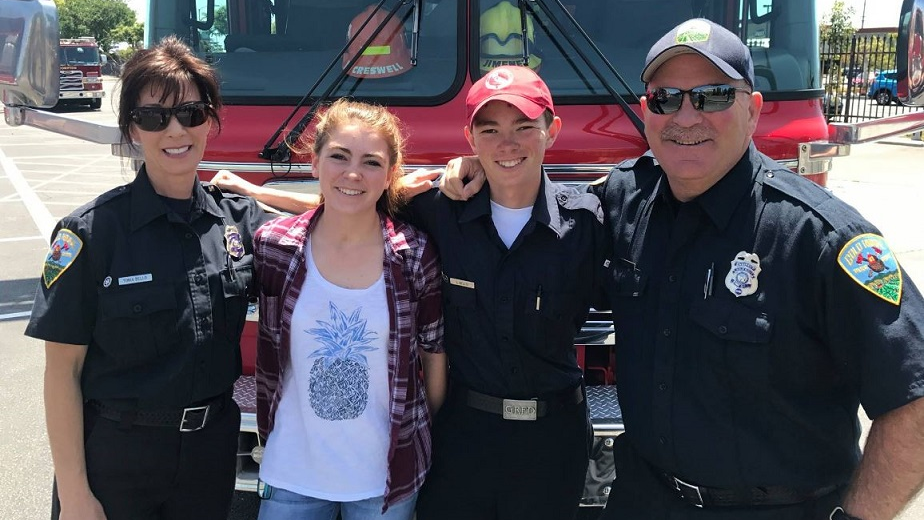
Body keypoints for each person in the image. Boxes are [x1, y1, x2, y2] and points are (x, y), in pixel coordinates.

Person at [442, 17, 924, 520]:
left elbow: (915, 399)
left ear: (753, 110)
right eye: (666, 99)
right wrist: (473, 169)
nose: (686, 116)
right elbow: (542, 222)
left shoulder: (817, 237)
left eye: (712, 96)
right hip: (642, 498)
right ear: (647, 110)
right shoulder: (626, 198)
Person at [214, 65, 610, 520]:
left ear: (552, 131)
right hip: (464, 436)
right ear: (470, 136)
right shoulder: (439, 212)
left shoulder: (591, 221)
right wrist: (249, 189)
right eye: (490, 129)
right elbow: (348, 201)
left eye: (524, 127)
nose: (508, 143)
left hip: (550, 439)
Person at [25, 36, 273, 520]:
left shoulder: (239, 222)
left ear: (212, 121)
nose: (175, 129)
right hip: (117, 459)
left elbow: (334, 225)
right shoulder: (89, 234)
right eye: (153, 117)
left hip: (209, 458)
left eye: (191, 113)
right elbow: (62, 375)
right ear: (132, 131)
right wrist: (75, 493)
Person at [252, 98, 446, 520]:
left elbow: (434, 356)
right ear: (314, 162)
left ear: (391, 175)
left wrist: (419, 434)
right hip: (291, 473)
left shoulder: (414, 253)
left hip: (385, 481)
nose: (353, 173)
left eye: (371, 162)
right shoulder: (273, 246)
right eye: (339, 156)